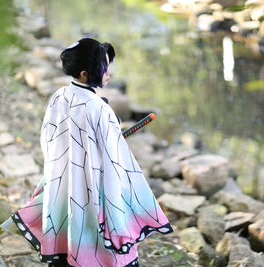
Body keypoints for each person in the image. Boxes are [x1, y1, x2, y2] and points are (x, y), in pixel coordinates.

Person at [11, 38, 173, 267]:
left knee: (68, 230)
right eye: (104, 68)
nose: (109, 73)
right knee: (98, 241)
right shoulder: (99, 109)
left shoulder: (59, 96)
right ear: (86, 74)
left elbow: (49, 141)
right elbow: (115, 162)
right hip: (94, 186)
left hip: (65, 181)